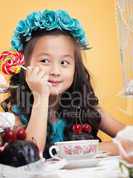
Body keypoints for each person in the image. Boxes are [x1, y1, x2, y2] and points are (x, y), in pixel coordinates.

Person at [1, 9, 126, 158]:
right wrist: (41, 96)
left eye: (64, 62)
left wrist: (92, 149)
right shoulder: (14, 117)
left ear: (75, 68)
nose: (55, 71)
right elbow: (31, 155)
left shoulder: (88, 109)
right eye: (44, 61)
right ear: (24, 65)